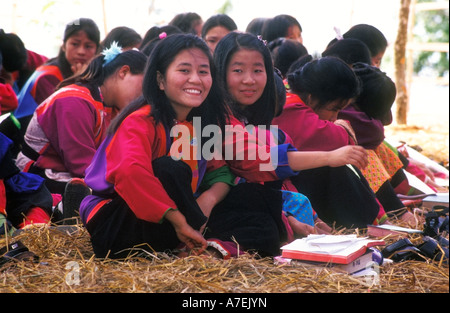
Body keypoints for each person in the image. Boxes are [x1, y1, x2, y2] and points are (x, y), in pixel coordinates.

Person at [79, 33, 368, 259]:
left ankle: (207, 249)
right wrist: (180, 221)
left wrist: (206, 203)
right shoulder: (140, 121)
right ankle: (189, 244)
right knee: (170, 168)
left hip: (180, 220)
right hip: (121, 222)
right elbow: (132, 173)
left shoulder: (201, 124)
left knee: (260, 204)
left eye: (203, 71)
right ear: (160, 80)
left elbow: (250, 164)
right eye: (184, 70)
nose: (196, 79)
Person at [15, 44, 147, 200]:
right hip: (38, 177)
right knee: (118, 198)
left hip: (75, 174)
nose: (143, 97)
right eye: (143, 86)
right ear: (124, 72)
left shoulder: (111, 105)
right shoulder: (74, 101)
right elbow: (83, 166)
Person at [273, 56, 390, 228]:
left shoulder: (292, 96)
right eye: (334, 110)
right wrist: (343, 129)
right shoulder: (290, 108)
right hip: (284, 189)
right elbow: (338, 139)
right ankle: (371, 223)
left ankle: (379, 220)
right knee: (340, 165)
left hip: (287, 183)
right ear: (312, 98)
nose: (335, 118)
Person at [4, 18, 101, 157]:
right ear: (64, 46)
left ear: (97, 49)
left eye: (88, 46)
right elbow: (64, 122)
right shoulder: (48, 76)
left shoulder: (85, 73)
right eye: (75, 44)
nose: (81, 51)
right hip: (24, 148)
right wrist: (79, 81)